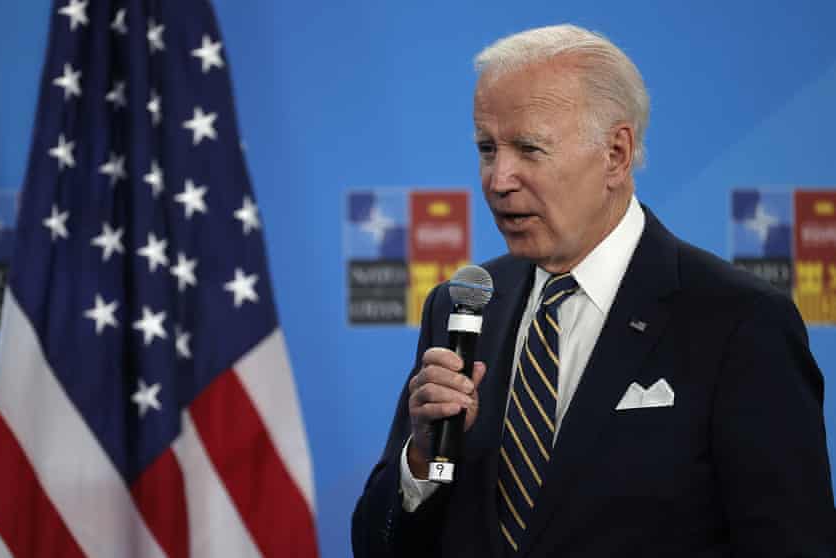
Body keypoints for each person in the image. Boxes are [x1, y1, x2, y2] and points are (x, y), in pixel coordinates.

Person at [351, 24, 835, 557]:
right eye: (488, 149)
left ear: (616, 153)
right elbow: (381, 547)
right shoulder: (461, 308)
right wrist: (423, 461)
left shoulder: (739, 321)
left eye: (529, 149)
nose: (498, 179)